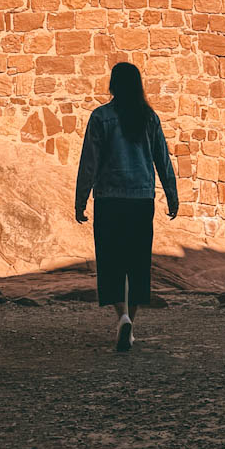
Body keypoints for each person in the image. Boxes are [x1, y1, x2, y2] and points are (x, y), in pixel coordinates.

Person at [74, 62, 179, 352]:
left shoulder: (100, 117)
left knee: (111, 263)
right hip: (141, 200)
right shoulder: (149, 118)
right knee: (138, 264)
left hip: (110, 200)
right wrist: (171, 193)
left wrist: (81, 199)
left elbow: (89, 161)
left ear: (113, 85)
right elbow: (162, 158)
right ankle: (129, 325)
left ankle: (121, 317)